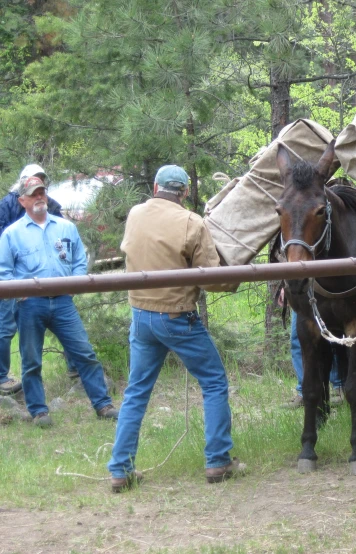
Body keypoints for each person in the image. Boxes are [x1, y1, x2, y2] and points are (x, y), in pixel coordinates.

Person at [108, 164, 243, 493]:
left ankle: (120, 469)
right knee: (213, 382)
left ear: (155, 187)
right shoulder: (191, 222)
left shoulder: (136, 214)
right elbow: (214, 279)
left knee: (136, 392)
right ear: (184, 193)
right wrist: (239, 273)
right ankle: (218, 461)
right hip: (176, 318)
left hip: (140, 316)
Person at [0, 172, 118, 427]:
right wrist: (19, 293)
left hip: (64, 303)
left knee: (85, 354)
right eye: (33, 194)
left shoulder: (66, 227)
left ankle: (103, 405)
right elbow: (4, 270)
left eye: (42, 192)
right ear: (23, 201)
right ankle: (39, 412)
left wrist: (74, 284)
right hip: (29, 305)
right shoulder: (11, 234)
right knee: (31, 361)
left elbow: (78, 259)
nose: (39, 197)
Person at [0, 164, 78, 395]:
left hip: (50, 282)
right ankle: (2, 377)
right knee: (5, 328)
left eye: (41, 181)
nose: (38, 190)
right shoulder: (5, 205)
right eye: (32, 182)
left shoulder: (50, 205)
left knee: (66, 326)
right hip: (13, 281)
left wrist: (72, 277)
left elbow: (66, 240)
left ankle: (76, 369)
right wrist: (10, 281)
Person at [281, 308, 345, 409]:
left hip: (323, 294)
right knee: (298, 338)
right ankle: (305, 392)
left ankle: (339, 388)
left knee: (331, 334)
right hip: (299, 295)